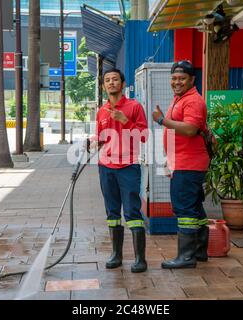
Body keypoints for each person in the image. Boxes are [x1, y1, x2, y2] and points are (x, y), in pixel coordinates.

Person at [88, 68, 148, 273]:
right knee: (112, 212)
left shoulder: (134, 107)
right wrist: (92, 141)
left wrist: (125, 121)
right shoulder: (102, 111)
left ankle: (140, 259)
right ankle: (116, 255)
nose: (111, 83)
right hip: (106, 167)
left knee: (132, 211)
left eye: (115, 80)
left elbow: (144, 136)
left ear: (123, 84)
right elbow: (100, 136)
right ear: (103, 86)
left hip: (128, 166)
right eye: (107, 80)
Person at [152, 60, 210, 269]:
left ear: (192, 79)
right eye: (174, 78)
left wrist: (161, 121)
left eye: (182, 78)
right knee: (194, 207)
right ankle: (199, 251)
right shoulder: (180, 99)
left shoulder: (193, 100)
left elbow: (190, 129)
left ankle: (186, 257)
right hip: (184, 162)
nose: (177, 82)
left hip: (189, 163)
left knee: (184, 208)